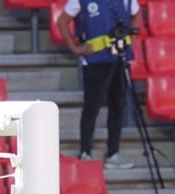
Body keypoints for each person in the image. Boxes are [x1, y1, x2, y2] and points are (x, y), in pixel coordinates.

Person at [54, 0, 141, 169]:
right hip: (95, 59)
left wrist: (131, 38)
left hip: (120, 57)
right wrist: (75, 47)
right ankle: (85, 151)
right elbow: (62, 21)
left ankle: (113, 153)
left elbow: (136, 14)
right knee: (92, 106)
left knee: (118, 105)